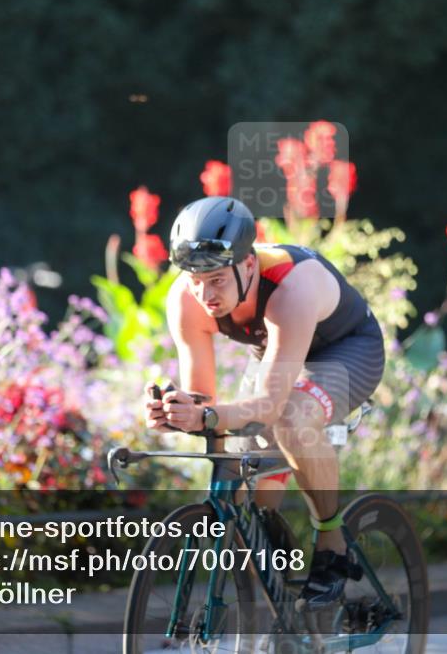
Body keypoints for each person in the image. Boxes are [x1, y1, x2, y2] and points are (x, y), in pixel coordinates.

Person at [143, 196, 385, 611]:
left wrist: (208, 414)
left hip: (344, 351)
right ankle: (288, 604)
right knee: (246, 514)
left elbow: (271, 404)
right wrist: (179, 412)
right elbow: (206, 403)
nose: (205, 294)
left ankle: (332, 539)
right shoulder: (186, 298)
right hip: (279, 352)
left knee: (291, 420)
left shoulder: (292, 285)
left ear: (249, 265)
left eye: (218, 280)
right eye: (195, 279)